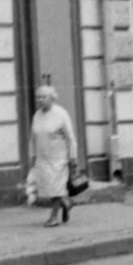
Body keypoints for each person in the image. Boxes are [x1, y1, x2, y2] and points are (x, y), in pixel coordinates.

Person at [26, 84, 79, 227]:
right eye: (38, 97)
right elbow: (33, 138)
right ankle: (66, 203)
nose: (40, 100)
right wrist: (32, 156)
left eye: (44, 97)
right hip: (42, 158)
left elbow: (70, 137)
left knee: (56, 187)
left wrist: (73, 157)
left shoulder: (61, 114)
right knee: (48, 188)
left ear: (52, 98)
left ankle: (54, 217)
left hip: (58, 158)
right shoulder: (37, 115)